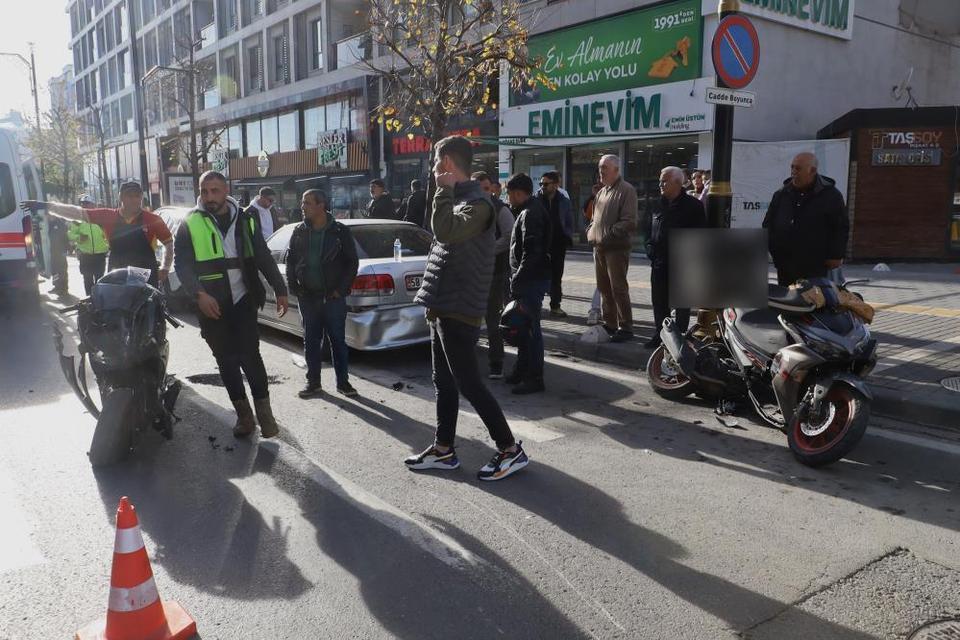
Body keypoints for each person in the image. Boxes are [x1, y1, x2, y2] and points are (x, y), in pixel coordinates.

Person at [405, 135, 528, 481]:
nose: (432, 170)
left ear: (446, 164)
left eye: (435, 163)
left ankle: (509, 448)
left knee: (469, 383)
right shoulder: (461, 201)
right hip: (443, 306)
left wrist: (442, 191)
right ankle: (444, 450)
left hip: (460, 309)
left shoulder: (479, 205)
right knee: (443, 381)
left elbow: (444, 231)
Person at [174, 171, 289, 439]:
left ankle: (265, 416)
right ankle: (244, 417)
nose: (209, 197)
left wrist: (280, 289)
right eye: (204, 191)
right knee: (226, 361)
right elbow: (183, 265)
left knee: (251, 357)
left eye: (215, 190)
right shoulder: (189, 223)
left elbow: (262, 255)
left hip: (243, 299)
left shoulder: (246, 219)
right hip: (212, 305)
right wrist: (199, 294)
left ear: (226, 190)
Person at [21, 181, 173, 289]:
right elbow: (76, 213)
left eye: (137, 196)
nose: (134, 199)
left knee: (149, 315)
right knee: (114, 316)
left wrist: (165, 267)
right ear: (121, 198)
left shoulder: (153, 219)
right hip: (118, 272)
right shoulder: (108, 216)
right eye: (129, 196)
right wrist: (46, 206)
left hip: (145, 273)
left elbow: (168, 242)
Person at [285, 189, 360, 399]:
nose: (303, 207)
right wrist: (294, 287)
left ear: (321, 205)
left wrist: (341, 290)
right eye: (303, 203)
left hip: (332, 298)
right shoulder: (299, 230)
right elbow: (290, 260)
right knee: (311, 340)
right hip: (307, 297)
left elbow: (351, 262)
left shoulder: (339, 231)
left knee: (337, 341)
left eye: (307, 203)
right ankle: (313, 383)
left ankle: (343, 383)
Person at [763, 152, 850, 286]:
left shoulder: (831, 196)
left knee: (814, 302)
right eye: (792, 167)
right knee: (787, 302)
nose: (793, 172)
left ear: (813, 171)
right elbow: (768, 224)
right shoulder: (781, 194)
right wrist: (775, 252)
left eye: (798, 168)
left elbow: (840, 227)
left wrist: (836, 255)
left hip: (816, 265)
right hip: (785, 264)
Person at [645, 166, 707, 349]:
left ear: (678, 183)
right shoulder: (656, 204)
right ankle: (660, 335)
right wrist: (649, 247)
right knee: (659, 301)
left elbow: (699, 235)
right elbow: (646, 228)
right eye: (660, 180)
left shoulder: (693, 206)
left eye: (665, 181)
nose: (660, 184)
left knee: (681, 304)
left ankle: (678, 339)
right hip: (659, 261)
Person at [505, 173, 552, 394]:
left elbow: (532, 253)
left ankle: (534, 377)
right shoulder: (527, 210)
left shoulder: (531, 213)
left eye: (509, 193)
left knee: (531, 329)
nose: (508, 198)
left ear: (517, 193)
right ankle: (522, 370)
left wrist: (518, 278)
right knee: (522, 327)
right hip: (529, 279)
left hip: (530, 281)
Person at [587, 154, 638, 343]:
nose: (601, 171)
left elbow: (629, 222)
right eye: (600, 167)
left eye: (605, 168)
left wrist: (607, 236)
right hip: (599, 247)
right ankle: (610, 323)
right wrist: (591, 232)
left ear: (616, 170)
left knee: (618, 288)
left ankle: (626, 326)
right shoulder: (602, 191)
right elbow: (594, 219)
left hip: (616, 248)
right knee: (604, 288)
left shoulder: (627, 190)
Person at [473, 170, 515, 379]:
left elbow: (509, 236)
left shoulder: (500, 209)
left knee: (491, 319)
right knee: (469, 317)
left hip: (494, 272)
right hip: (472, 272)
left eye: (487, 189)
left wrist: (487, 250)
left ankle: (496, 362)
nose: (484, 193)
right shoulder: (467, 209)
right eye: (479, 189)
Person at [536, 171, 573, 318]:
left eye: (546, 184)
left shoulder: (564, 200)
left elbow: (569, 220)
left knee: (557, 275)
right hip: (540, 242)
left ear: (556, 185)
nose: (542, 187)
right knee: (538, 275)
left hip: (558, 243)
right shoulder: (536, 199)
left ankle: (555, 306)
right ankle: (536, 304)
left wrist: (567, 235)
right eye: (541, 184)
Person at [67, 194, 109, 295]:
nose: (84, 206)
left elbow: (107, 232)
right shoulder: (77, 219)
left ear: (93, 205)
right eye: (83, 204)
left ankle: (99, 301)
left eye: (87, 204)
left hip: (100, 254)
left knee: (100, 279)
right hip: (85, 254)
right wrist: (78, 237)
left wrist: (107, 240)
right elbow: (70, 233)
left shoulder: (100, 218)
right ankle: (89, 302)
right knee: (88, 279)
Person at [582, 182, 603, 326]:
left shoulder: (621, 193)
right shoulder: (593, 200)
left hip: (615, 246)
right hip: (599, 243)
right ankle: (595, 310)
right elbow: (589, 216)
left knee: (615, 283)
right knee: (602, 280)